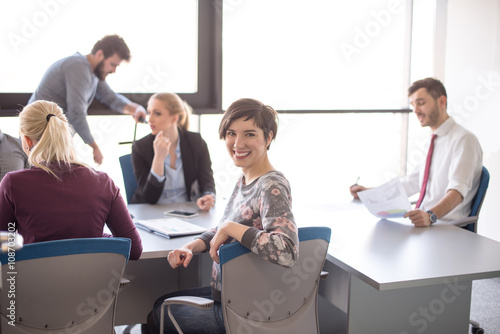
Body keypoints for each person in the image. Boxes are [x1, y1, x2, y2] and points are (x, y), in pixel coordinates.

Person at [145, 98, 299, 333]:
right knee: (159, 304)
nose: (237, 143)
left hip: (244, 309)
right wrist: (193, 245)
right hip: (230, 296)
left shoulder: (270, 185)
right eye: (231, 133)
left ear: (268, 138)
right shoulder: (246, 178)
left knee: (158, 315)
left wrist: (230, 227)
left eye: (249, 134)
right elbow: (228, 228)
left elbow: (287, 250)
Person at [0, 100, 142, 260]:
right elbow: (134, 250)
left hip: (34, 284)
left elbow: (3, 249)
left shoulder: (13, 184)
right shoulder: (103, 182)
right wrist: (96, 240)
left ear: (27, 141)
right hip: (91, 284)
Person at [350, 77, 483, 227]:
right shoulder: (433, 140)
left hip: (444, 226)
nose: (416, 110)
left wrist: (431, 215)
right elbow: (411, 182)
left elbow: (458, 191)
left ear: (441, 102)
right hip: (425, 223)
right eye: (413, 105)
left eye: (421, 103)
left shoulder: (464, 139)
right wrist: (370, 193)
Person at [28, 34, 147, 165]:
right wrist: (94, 147)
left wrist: (135, 108)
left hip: (51, 139)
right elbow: (77, 113)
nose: (113, 71)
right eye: (113, 64)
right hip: (39, 137)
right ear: (100, 54)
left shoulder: (93, 74)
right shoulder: (78, 67)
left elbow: (110, 98)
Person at [131, 92, 215, 210]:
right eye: (149, 112)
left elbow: (207, 181)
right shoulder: (140, 148)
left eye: (157, 113)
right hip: (152, 212)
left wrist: (208, 196)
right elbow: (149, 198)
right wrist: (158, 159)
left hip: (187, 210)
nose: (150, 119)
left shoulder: (196, 142)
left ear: (175, 117)